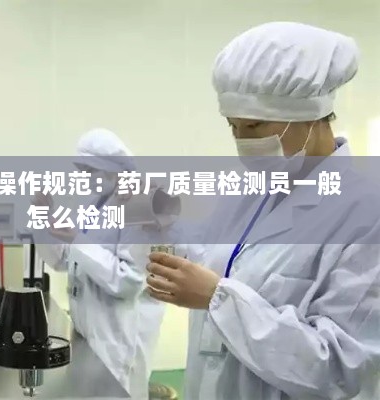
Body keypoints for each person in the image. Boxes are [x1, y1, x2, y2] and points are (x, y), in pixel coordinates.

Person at [146, 22, 380, 399]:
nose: (243, 143)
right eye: (233, 127)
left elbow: (340, 367)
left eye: (254, 126)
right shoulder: (251, 191)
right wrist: (161, 227)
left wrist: (218, 299)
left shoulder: (365, 215)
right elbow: (212, 255)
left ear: (310, 114)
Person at [33, 128, 166, 398]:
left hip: (119, 343)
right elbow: (63, 260)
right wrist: (42, 219)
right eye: (80, 169)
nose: (83, 176)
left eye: (89, 170)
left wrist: (77, 240)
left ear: (110, 169)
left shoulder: (137, 207)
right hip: (88, 335)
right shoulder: (94, 204)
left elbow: (128, 281)